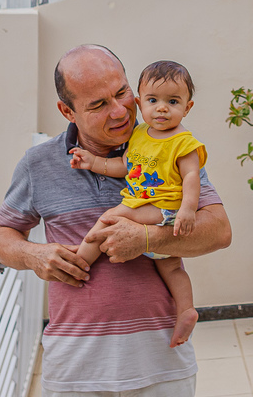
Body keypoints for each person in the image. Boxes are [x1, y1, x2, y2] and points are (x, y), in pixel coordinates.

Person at [0, 45, 232, 397]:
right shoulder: (37, 164)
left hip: (162, 362)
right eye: (99, 104)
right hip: (74, 368)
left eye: (122, 93)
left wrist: (147, 239)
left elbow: (219, 231)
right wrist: (33, 255)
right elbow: (1, 235)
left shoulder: (167, 147)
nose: (119, 111)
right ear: (67, 111)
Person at [68, 60, 205, 348]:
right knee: (171, 267)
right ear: (141, 103)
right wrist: (92, 162)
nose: (162, 108)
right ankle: (186, 310)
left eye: (173, 101)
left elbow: (192, 176)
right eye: (153, 101)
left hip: (164, 208)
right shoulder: (139, 135)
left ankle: (80, 261)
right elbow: (124, 166)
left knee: (110, 217)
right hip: (151, 212)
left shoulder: (184, 142)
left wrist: (188, 210)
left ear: (188, 107)